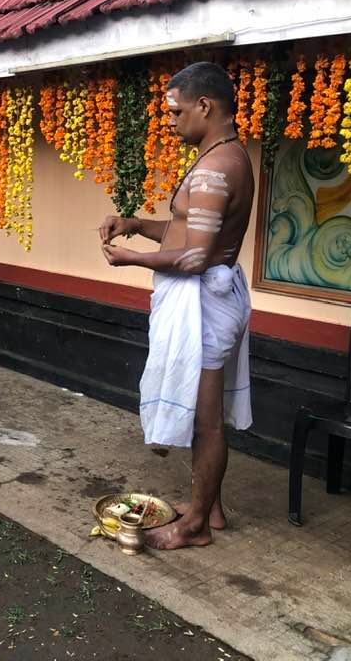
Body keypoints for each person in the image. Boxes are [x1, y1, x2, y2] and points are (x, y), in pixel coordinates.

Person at [99, 62, 255, 550]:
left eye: (175, 111)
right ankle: (212, 508)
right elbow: (186, 232)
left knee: (206, 420)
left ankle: (195, 527)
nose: (170, 121)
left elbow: (194, 256)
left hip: (204, 305)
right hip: (210, 298)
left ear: (204, 106)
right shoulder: (223, 156)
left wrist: (132, 259)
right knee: (203, 413)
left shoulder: (215, 169)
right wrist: (135, 224)